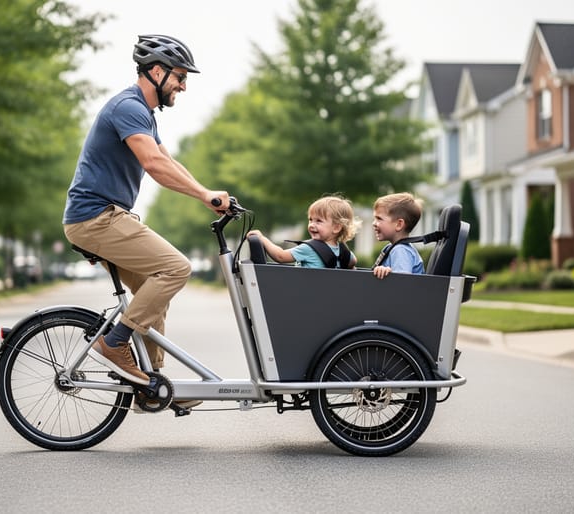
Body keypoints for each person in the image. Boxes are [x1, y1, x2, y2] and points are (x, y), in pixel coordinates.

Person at [61, 34, 230, 401]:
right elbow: (153, 165)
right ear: (156, 71)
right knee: (176, 268)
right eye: (180, 77)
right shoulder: (128, 108)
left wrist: (207, 195)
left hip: (107, 216)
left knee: (155, 294)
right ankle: (114, 342)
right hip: (95, 218)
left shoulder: (144, 114)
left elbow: (168, 161)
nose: (183, 86)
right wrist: (204, 195)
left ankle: (151, 385)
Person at [247, 194, 360, 269]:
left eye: (318, 221)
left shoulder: (309, 249)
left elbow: (280, 256)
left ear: (336, 227)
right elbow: (353, 261)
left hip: (306, 296)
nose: (312, 225)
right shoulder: (344, 251)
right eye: (310, 220)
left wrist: (263, 239)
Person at [371, 192, 425, 279]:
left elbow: (401, 285)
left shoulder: (400, 250)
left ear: (399, 224)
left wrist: (386, 272)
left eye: (379, 218)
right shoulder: (391, 247)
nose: (374, 223)